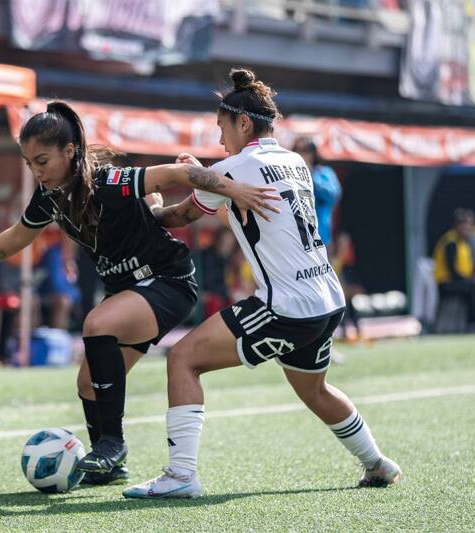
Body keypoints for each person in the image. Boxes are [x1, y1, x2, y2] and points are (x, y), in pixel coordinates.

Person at [0, 101, 279, 485]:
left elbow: (179, 172)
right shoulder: (49, 196)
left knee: (97, 323)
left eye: (42, 160)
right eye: (29, 162)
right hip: (130, 293)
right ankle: (111, 466)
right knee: (87, 384)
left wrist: (236, 190)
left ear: (70, 151)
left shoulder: (108, 182)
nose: (36, 171)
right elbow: (17, 236)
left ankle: (112, 444)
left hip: (167, 281)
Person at [123, 68, 400, 499]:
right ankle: (377, 463)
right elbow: (233, 188)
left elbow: (178, 218)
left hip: (286, 305)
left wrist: (152, 204)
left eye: (221, 129)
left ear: (243, 123)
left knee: (182, 359)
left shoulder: (236, 165)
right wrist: (210, 176)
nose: (220, 141)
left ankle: (181, 476)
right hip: (327, 299)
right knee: (315, 389)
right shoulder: (294, 162)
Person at [433, 208, 475, 329]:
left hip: (458, 280)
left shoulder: (465, 243)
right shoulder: (450, 242)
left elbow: (468, 266)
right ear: (457, 225)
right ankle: (473, 324)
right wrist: (470, 280)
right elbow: (452, 271)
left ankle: (471, 323)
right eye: (465, 224)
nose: (468, 228)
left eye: (471, 224)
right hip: (445, 282)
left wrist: (473, 277)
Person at [292, 136, 341, 249]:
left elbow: (333, 196)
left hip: (320, 237)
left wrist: (309, 175)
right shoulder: (289, 175)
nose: (304, 155)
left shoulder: (324, 173)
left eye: (308, 151)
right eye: (299, 151)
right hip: (296, 238)